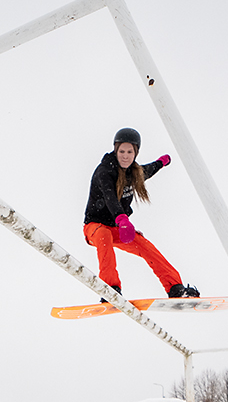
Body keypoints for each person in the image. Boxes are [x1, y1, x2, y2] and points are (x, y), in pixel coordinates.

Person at [83, 127, 200, 301]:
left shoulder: (134, 173)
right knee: (103, 234)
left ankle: (175, 288)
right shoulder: (104, 172)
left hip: (117, 228)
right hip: (94, 227)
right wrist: (122, 218)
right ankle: (110, 290)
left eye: (130, 151)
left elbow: (149, 169)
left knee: (144, 245)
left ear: (136, 153)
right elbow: (110, 198)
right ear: (116, 150)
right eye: (121, 151)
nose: (125, 155)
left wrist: (162, 162)